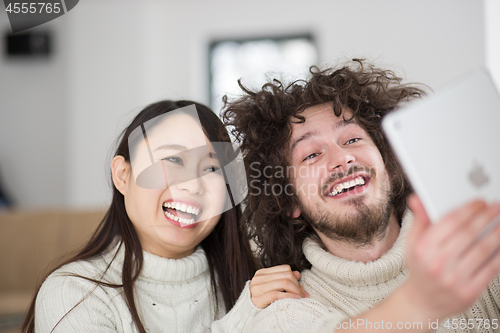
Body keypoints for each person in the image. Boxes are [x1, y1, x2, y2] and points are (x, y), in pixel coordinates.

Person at [222, 59, 500, 332]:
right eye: (312, 154)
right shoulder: (283, 315)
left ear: (390, 166)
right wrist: (422, 299)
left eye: (352, 139)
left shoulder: (482, 246)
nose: (342, 158)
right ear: (290, 200)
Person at [23, 100, 307, 333]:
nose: (192, 185)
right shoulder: (73, 293)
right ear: (123, 175)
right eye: (173, 160)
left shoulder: (253, 285)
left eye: (211, 170)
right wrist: (242, 322)